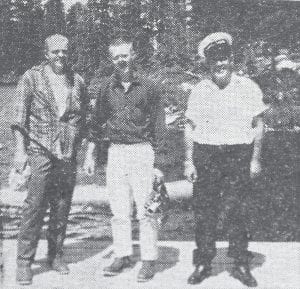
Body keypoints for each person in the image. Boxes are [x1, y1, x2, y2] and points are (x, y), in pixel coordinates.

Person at [184, 32, 267, 287]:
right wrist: (189, 161)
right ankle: (204, 262)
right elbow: (189, 126)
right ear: (208, 63)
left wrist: (255, 159)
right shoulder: (199, 90)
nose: (220, 65)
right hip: (206, 154)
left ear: (231, 59)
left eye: (224, 59)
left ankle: (240, 262)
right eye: (214, 60)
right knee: (204, 210)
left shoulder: (248, 87)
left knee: (238, 210)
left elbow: (259, 125)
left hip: (237, 155)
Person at [83, 35, 165, 282]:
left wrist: (159, 163)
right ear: (112, 59)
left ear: (133, 55)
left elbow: (160, 126)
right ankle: (122, 254)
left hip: (142, 151)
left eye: (125, 55)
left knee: (147, 209)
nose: (121, 60)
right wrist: (90, 154)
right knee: (119, 210)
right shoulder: (106, 88)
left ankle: (149, 259)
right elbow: (96, 125)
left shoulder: (150, 87)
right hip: (116, 152)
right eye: (116, 57)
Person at [12, 34, 87, 285]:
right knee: (34, 207)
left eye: (64, 51)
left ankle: (55, 255)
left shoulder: (77, 81)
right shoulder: (31, 78)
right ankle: (24, 262)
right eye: (55, 52)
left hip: (67, 153)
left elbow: (82, 120)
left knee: (62, 205)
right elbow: (18, 120)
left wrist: (84, 151)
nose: (60, 56)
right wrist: (19, 152)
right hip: (39, 150)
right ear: (46, 54)